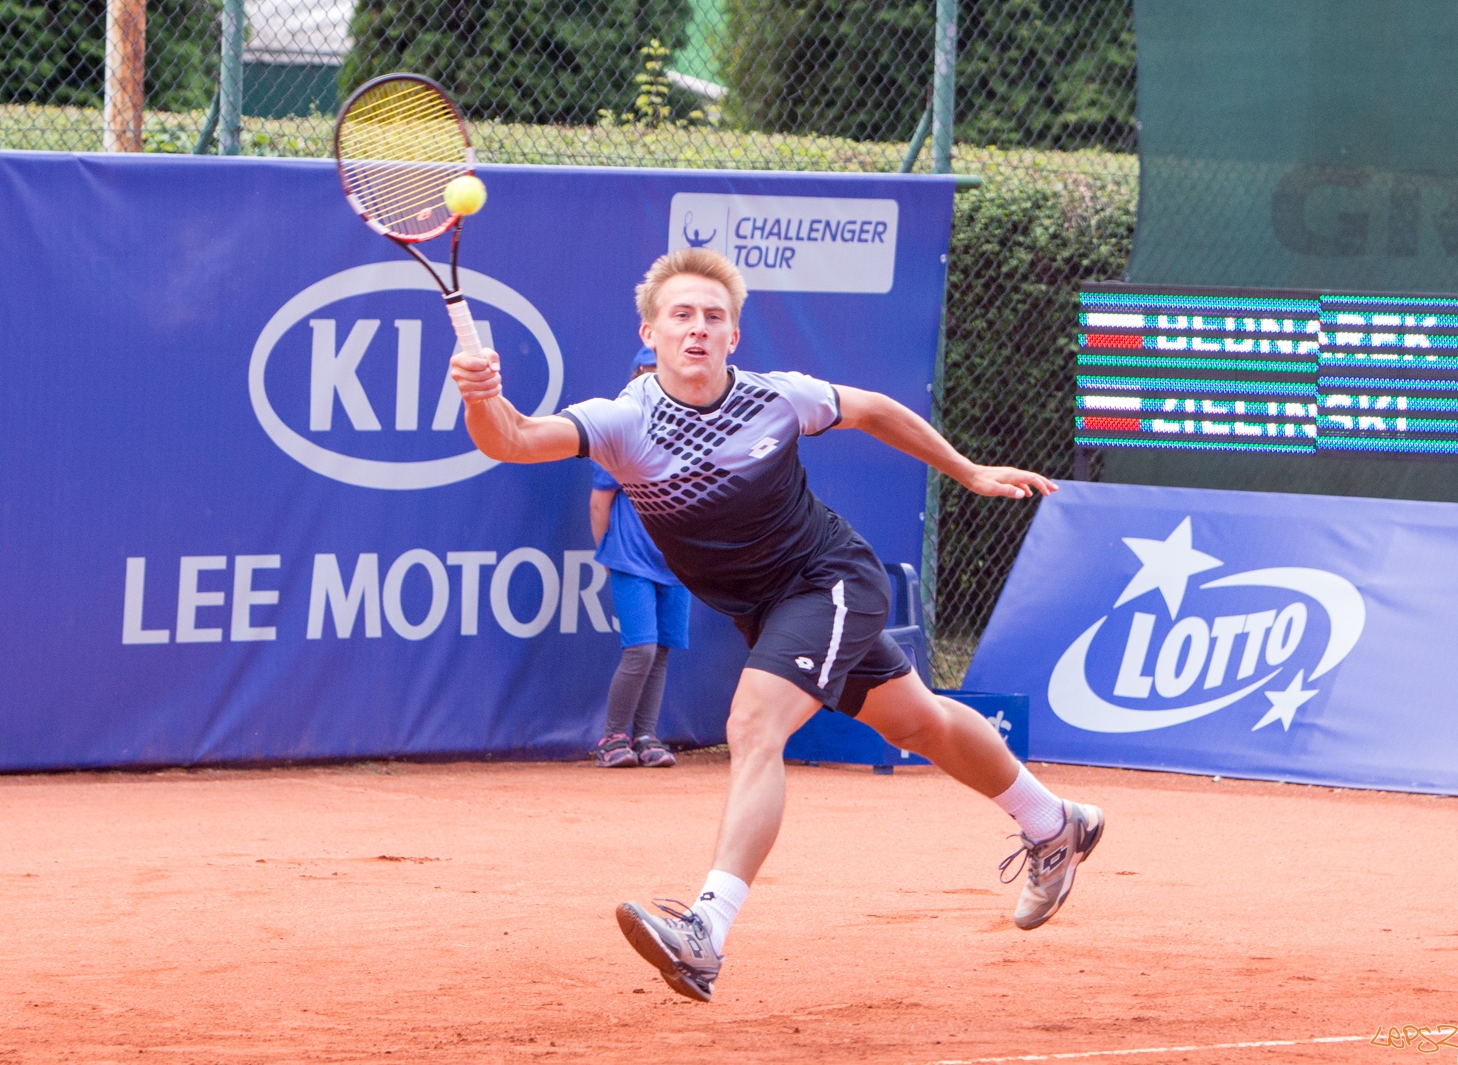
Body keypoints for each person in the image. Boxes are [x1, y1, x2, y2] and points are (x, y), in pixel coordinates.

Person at [449, 248, 1103, 1003]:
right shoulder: (623, 421)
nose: (698, 329)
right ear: (651, 332)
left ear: (733, 335)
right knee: (919, 721)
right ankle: (1054, 821)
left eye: (714, 317)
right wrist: (479, 398)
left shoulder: (776, 397)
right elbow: (514, 438)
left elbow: (875, 410)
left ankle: (706, 930)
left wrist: (968, 471)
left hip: (830, 578)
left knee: (753, 725)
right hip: (765, 610)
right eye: (682, 316)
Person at [588, 348, 691, 769]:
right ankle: (612, 737)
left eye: (659, 371)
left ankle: (646, 735)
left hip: (679, 565)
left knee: (662, 649)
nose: (653, 379)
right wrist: (609, 553)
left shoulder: (693, 434)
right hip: (631, 559)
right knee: (642, 650)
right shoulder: (623, 433)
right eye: (646, 372)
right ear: (635, 378)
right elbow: (600, 505)